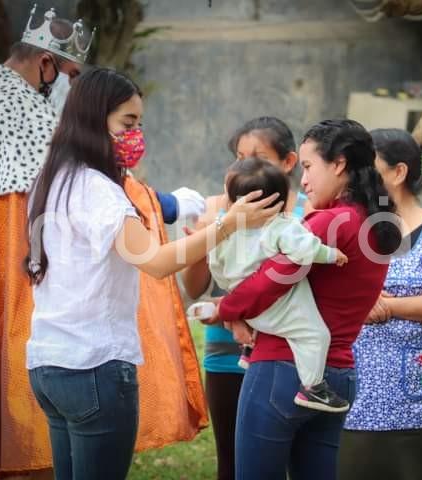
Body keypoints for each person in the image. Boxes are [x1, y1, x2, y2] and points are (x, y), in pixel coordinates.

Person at [23, 68, 281, 480]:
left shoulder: (51, 180)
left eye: (139, 124)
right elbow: (157, 262)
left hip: (49, 364)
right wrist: (228, 224)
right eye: (128, 123)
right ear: (95, 117)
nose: (135, 134)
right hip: (94, 364)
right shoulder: (98, 190)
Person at [215, 119, 403, 480]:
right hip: (338, 375)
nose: (303, 181)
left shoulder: (330, 223)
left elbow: (272, 279)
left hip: (282, 369)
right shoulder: (376, 223)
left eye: (308, 166)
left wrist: (225, 309)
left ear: (339, 164)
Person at [0, 6, 87, 478]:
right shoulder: (30, 110)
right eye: (68, 73)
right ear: (46, 63)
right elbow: (68, 188)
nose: (66, 84)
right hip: (6, 255)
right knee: (15, 382)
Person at [181, 116, 307, 480]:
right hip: (225, 353)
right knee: (233, 464)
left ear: (288, 162)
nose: (246, 167)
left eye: (259, 157)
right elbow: (195, 287)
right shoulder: (217, 208)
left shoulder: (307, 213)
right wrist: (209, 238)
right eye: (239, 157)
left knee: (290, 462)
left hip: (286, 352)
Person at [338, 129, 422, 480]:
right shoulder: (353, 226)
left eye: (369, 167)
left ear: (398, 173)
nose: (358, 177)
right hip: (356, 393)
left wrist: (391, 308)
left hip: (419, 400)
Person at [209, 157, 349, 413]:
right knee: (314, 334)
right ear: (282, 202)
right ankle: (313, 387)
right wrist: (331, 254)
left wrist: (233, 289)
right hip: (276, 305)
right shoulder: (280, 226)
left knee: (286, 329)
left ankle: (250, 350)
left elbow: (216, 267)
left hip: (247, 306)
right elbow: (305, 250)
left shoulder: (225, 233)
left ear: (232, 202)